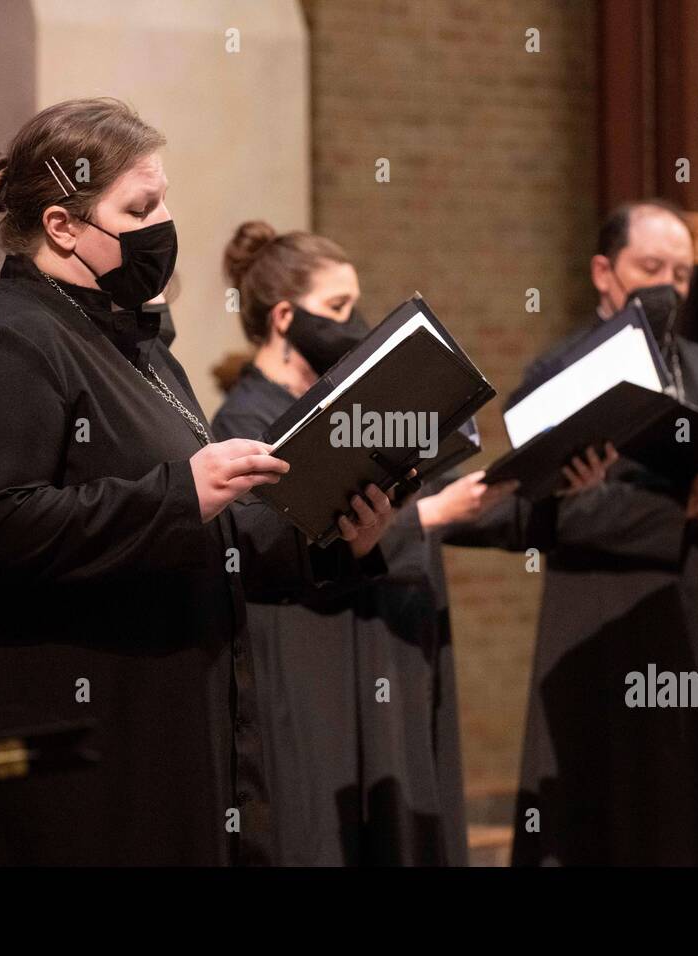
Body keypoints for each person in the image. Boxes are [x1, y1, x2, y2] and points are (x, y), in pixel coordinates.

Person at [0, 99, 391, 866]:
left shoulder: (128, 340)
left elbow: (201, 525)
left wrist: (331, 539)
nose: (166, 221)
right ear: (63, 225)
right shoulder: (4, 339)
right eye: (141, 206)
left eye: (163, 198)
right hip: (65, 729)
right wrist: (178, 493)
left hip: (160, 716)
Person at [210, 221, 536, 864]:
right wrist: (430, 514)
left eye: (354, 305)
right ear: (283, 317)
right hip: (312, 660)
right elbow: (274, 546)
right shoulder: (245, 419)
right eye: (336, 308)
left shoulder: (337, 402)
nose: (351, 321)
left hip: (379, 643)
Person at [505, 200, 698, 866]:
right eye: (650, 266)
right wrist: (681, 506)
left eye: (682, 271)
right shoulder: (557, 378)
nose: (668, 283)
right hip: (613, 627)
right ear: (604, 273)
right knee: (634, 820)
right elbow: (553, 509)